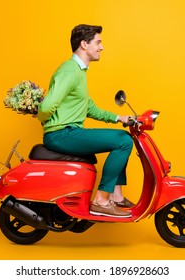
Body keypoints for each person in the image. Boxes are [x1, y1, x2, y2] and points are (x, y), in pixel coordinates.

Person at [37, 24, 134, 218]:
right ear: (84, 44)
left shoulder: (78, 72)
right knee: (123, 141)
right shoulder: (69, 71)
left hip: (68, 132)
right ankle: (102, 200)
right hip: (62, 134)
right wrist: (45, 120)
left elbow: (88, 108)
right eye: (98, 42)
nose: (101, 47)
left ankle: (115, 195)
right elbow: (46, 108)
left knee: (123, 136)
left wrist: (118, 118)